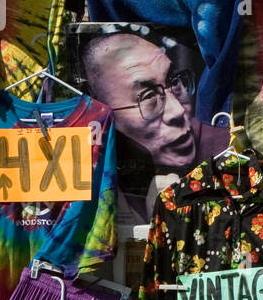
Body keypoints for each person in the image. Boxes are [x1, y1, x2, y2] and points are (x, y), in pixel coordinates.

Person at [80, 29, 225, 221]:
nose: (178, 111)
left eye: (174, 82)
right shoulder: (90, 193)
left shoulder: (221, 150)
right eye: (148, 96)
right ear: (100, 112)